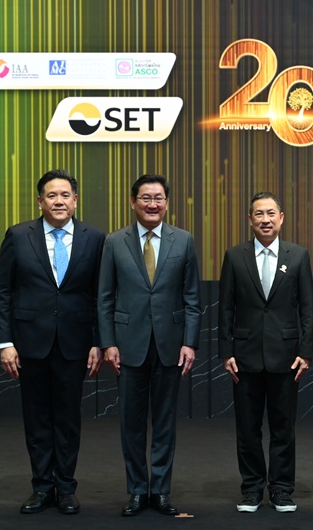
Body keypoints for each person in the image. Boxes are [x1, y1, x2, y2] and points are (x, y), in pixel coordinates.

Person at [0, 168, 105, 515]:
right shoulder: (18, 235)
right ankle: (42, 487)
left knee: (68, 419)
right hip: (30, 343)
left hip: (76, 342)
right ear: (40, 201)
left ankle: (66, 489)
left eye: (65, 195)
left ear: (76, 200)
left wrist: (99, 341)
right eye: (51, 195)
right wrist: (5, 343)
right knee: (37, 418)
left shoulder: (94, 238)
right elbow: (2, 293)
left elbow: (101, 296)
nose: (59, 201)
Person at [97, 174, 202, 517]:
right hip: (128, 346)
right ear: (133, 202)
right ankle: (137, 491)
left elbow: (192, 298)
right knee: (131, 423)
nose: (152, 204)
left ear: (167, 203)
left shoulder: (183, 240)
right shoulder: (114, 242)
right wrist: (108, 342)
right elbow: (104, 298)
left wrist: (189, 342)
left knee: (165, 423)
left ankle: (160, 491)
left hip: (170, 345)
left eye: (158, 198)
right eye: (145, 198)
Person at [218, 191, 313, 514]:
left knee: (283, 428)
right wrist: (225, 351)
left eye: (271, 213)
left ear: (281, 218)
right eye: (259, 214)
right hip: (244, 358)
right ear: (250, 219)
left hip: (286, 357)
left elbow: (307, 308)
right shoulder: (235, 256)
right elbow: (225, 308)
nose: (265, 220)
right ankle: (251, 489)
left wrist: (306, 351)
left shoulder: (298, 256)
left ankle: (282, 490)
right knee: (247, 429)